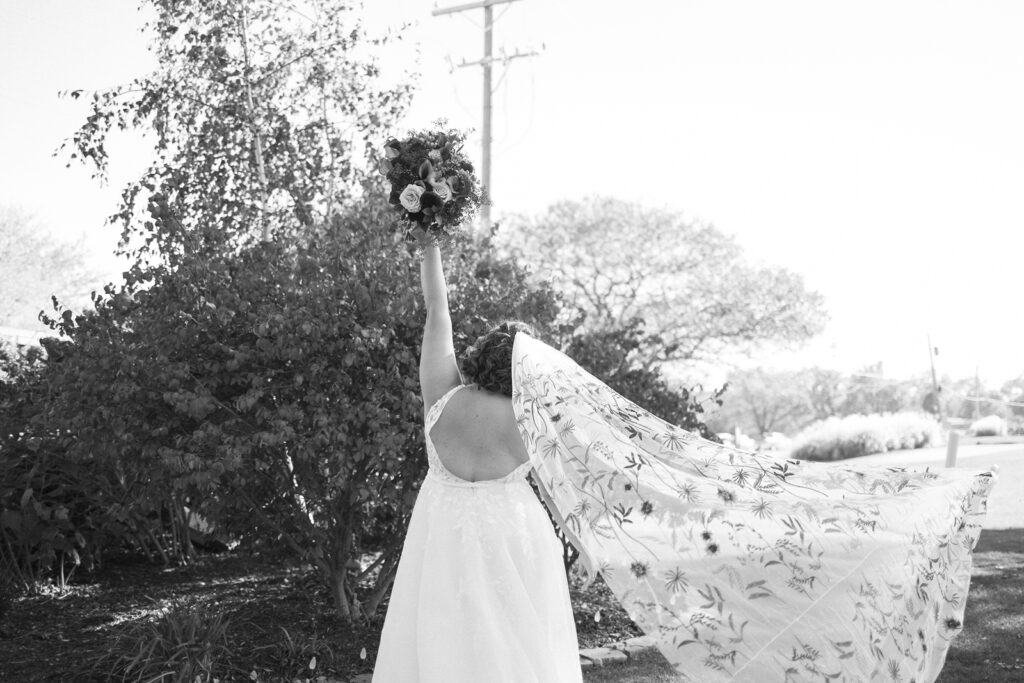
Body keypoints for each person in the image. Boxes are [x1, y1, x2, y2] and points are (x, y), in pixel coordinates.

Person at [371, 231, 583, 683]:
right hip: (513, 532)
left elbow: (437, 309)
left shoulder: (442, 393)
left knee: (442, 636)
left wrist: (430, 239)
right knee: (517, 643)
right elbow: (556, 492)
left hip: (442, 531)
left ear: (481, 354)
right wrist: (583, 548)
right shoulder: (531, 420)